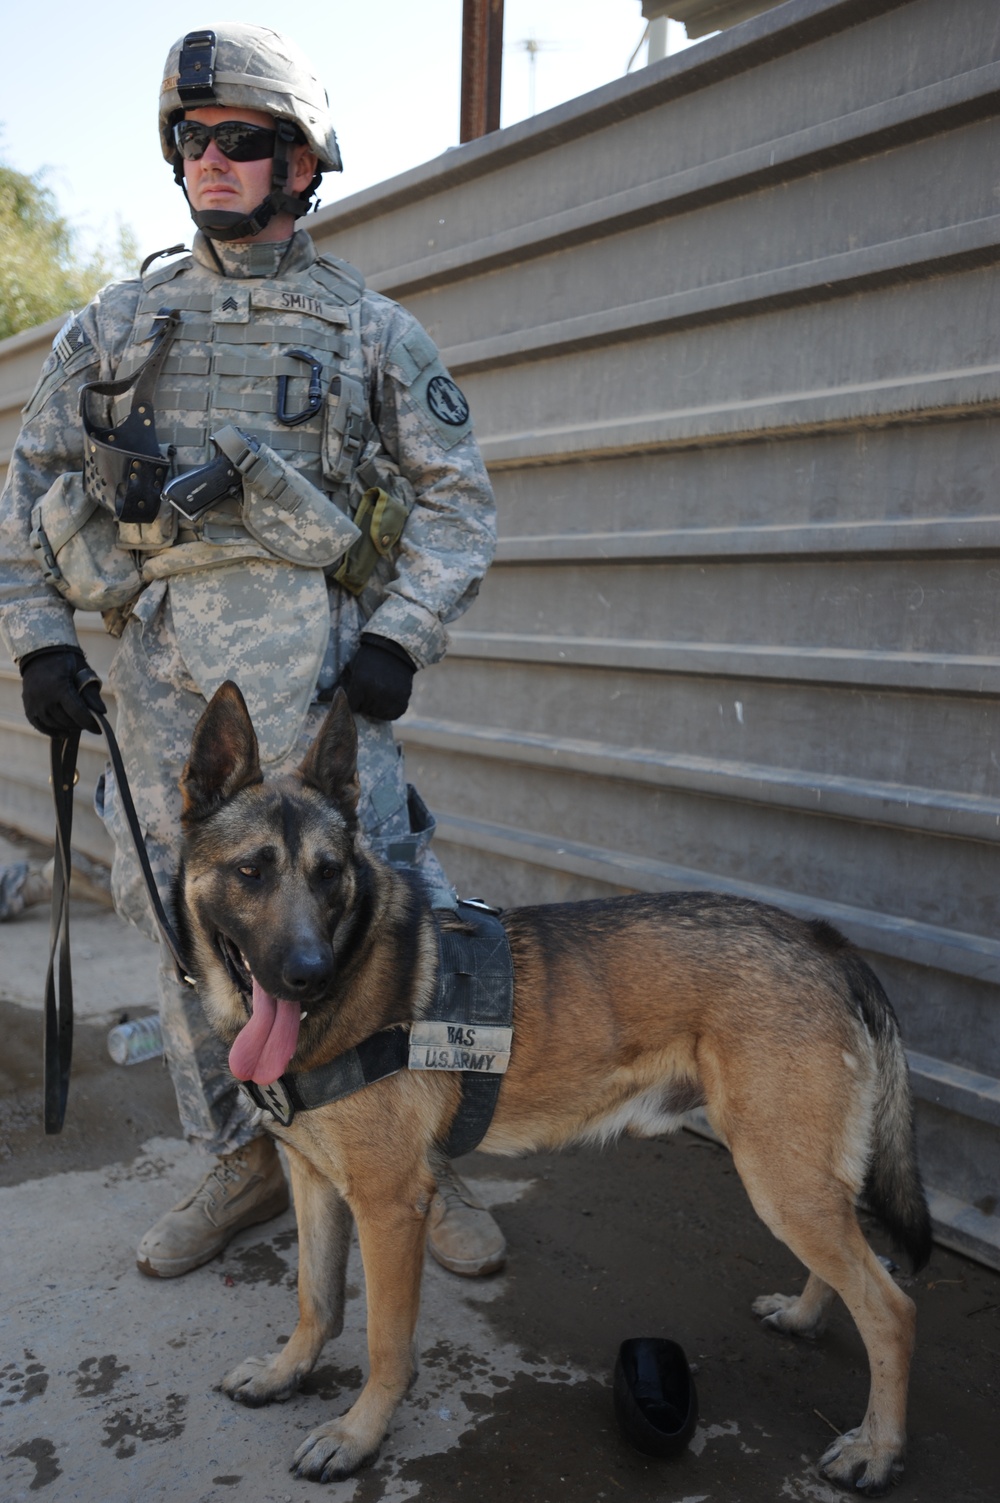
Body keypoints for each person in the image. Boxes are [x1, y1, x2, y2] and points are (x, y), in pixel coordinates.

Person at [0, 23, 505, 1281]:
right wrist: (39, 644)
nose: (209, 159)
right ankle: (245, 1158)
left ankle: (419, 1166)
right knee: (179, 921)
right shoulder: (115, 326)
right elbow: (27, 489)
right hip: (163, 680)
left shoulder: (368, 332)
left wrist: (400, 633)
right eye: (191, 139)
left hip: (325, 678)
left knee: (389, 906)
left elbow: (458, 501)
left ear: (301, 161)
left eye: (241, 140)